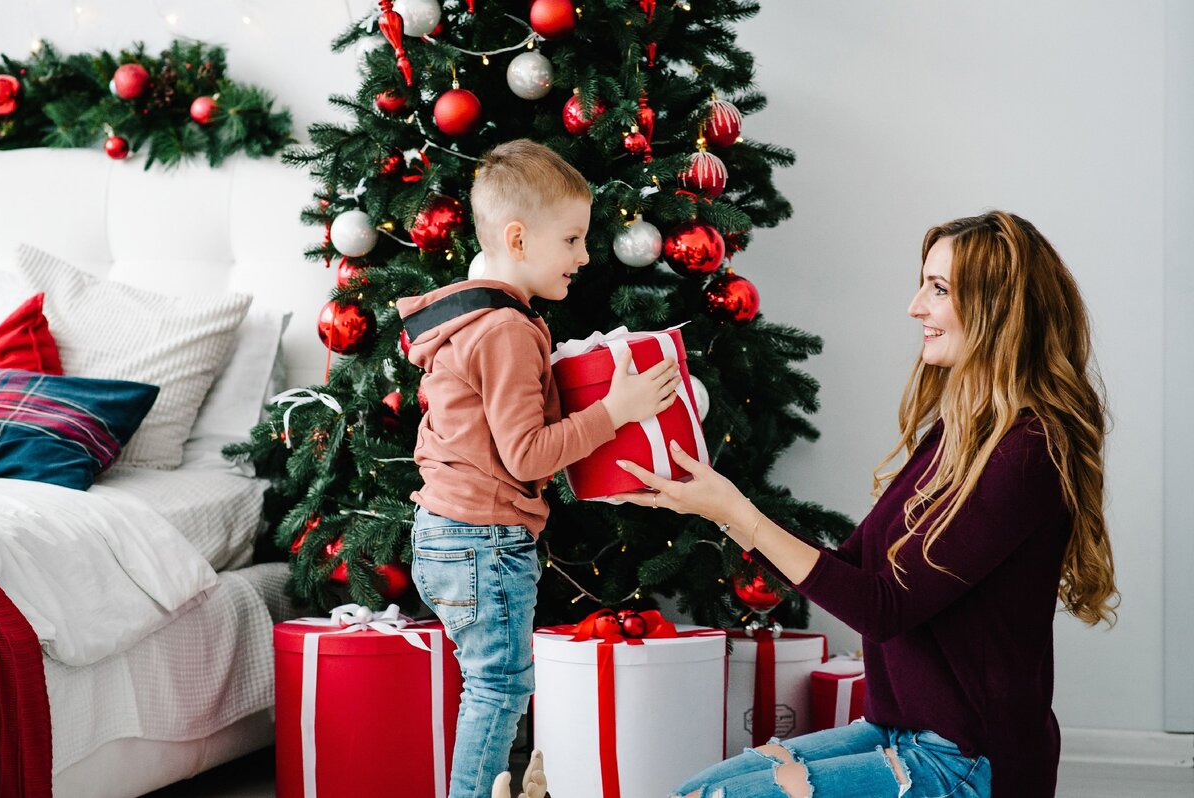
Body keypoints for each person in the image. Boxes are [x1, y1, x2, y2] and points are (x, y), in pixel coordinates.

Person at [612, 210, 1118, 798]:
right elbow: (853, 567)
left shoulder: (1027, 451)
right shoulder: (960, 434)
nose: (915, 307)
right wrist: (716, 508)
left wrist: (735, 511)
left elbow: (884, 608)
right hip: (898, 731)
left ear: (999, 308)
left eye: (939, 289)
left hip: (968, 759)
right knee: (692, 792)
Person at [396, 139, 683, 798]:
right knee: (498, 689)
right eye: (572, 240)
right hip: (483, 538)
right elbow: (525, 453)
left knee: (489, 685)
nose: (585, 257)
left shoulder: (474, 319)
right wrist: (616, 410)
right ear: (518, 239)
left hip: (446, 532)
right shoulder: (506, 330)